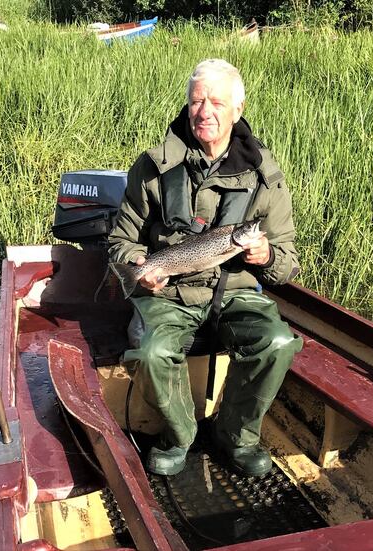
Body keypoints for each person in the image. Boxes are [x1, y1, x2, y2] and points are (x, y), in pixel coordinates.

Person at [108, 59, 302, 477]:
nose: (205, 111)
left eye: (216, 102)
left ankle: (237, 436)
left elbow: (287, 263)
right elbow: (121, 242)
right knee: (153, 350)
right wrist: (139, 270)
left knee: (278, 342)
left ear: (238, 109)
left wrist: (266, 257)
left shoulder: (265, 176)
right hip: (171, 294)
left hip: (235, 294)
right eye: (197, 101)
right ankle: (179, 436)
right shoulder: (153, 167)